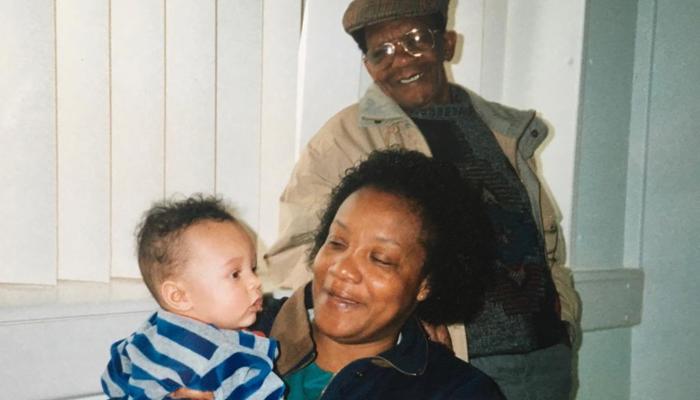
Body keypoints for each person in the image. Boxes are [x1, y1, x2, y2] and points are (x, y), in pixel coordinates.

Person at [265, 0, 581, 398]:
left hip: (546, 357)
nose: (401, 61)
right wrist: (407, 319)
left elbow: (543, 241)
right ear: (368, 67)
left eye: (415, 40)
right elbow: (301, 252)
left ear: (446, 43)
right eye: (382, 52)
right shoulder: (343, 138)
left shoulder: (504, 130)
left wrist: (563, 315)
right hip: (457, 367)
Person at [255, 149, 503, 399]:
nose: (343, 269)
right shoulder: (233, 331)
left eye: (380, 259)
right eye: (337, 243)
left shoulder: (457, 392)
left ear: (426, 283)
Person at [100, 196, 285, 400]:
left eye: (253, 269)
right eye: (235, 274)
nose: (255, 282)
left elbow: (112, 382)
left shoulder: (143, 339)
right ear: (179, 296)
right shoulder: (235, 364)